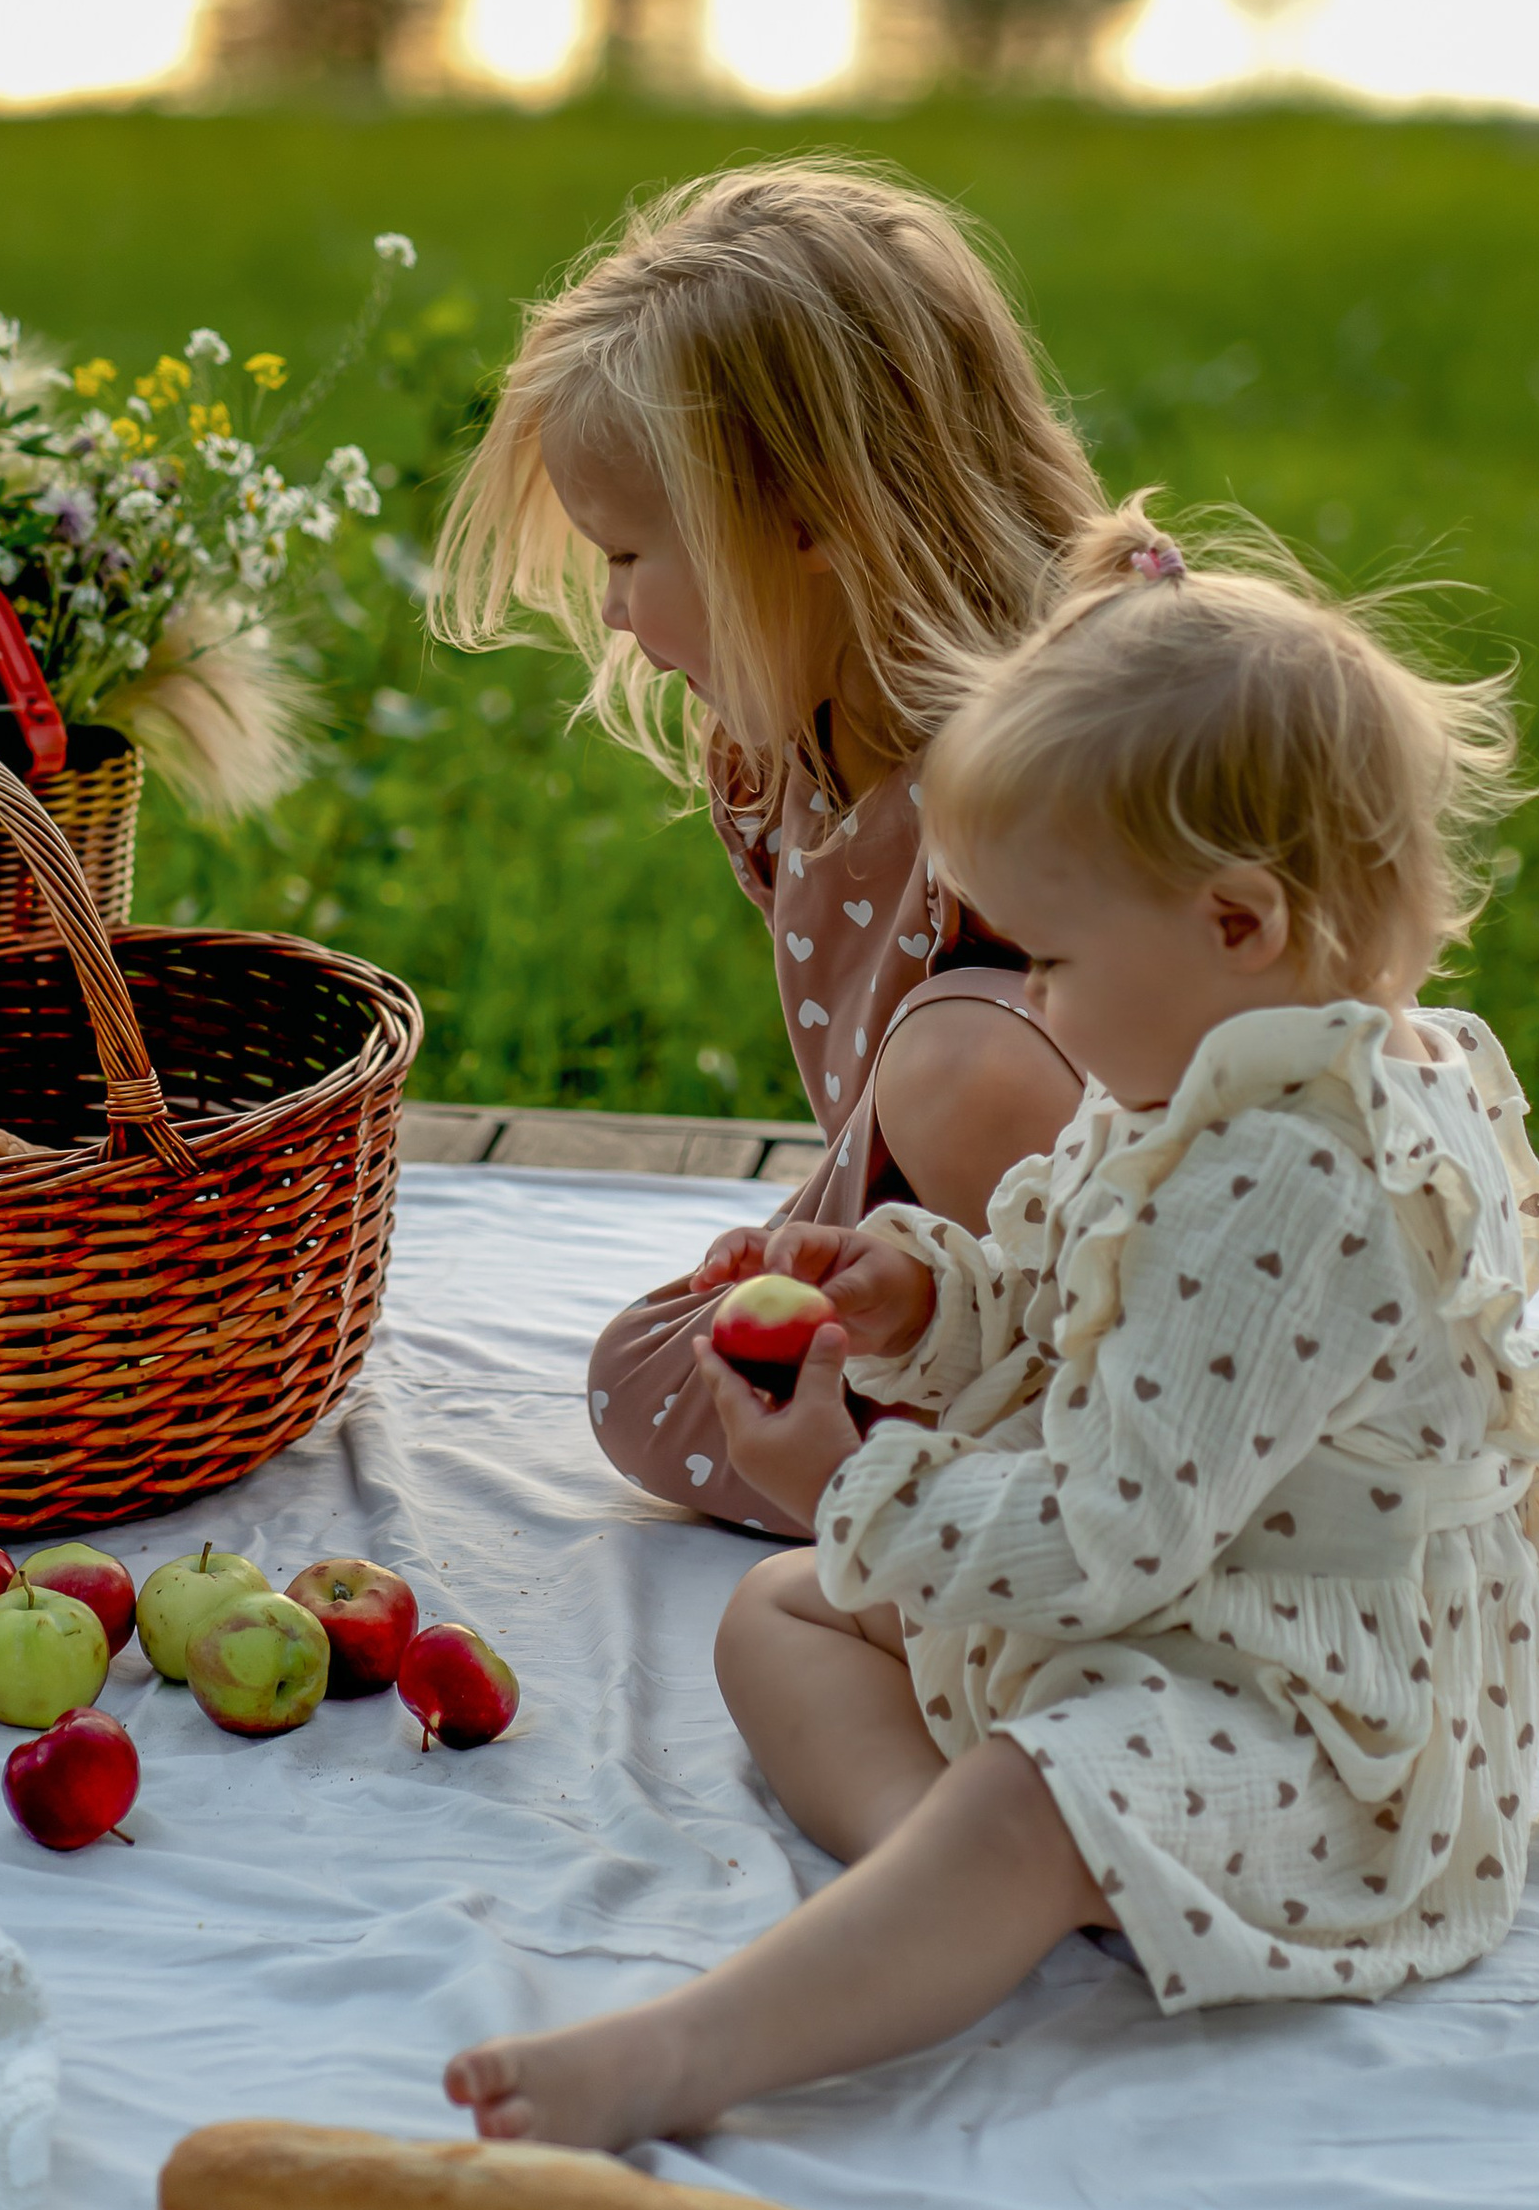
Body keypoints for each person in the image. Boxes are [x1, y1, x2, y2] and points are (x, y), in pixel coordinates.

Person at [442, 508, 1539, 2151]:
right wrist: (922, 1297)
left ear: (1237, 922)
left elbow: (1109, 1537)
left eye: (1055, 959)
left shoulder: (1299, 1175)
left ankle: (698, 2050)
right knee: (779, 1624)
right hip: (1177, 1600)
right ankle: (965, 1890)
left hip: (1294, 1704)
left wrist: (841, 1487)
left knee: (984, 1746)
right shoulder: (1210, 1069)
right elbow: (1069, 1277)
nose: (1038, 1009)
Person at [430, 157, 1097, 1537]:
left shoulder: (1048, 756)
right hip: (948, 1264)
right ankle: (959, 1454)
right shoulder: (792, 739)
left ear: (804, 523)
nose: (612, 612)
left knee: (957, 1065)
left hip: (1158, 1261)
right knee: (654, 1378)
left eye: (627, 557)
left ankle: (1084, 1476)